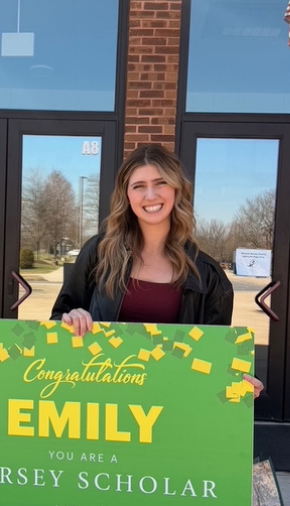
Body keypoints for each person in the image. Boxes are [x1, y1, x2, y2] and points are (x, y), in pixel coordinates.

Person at [50, 143, 263, 397]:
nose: (150, 195)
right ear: (127, 195)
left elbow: (213, 359)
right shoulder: (99, 254)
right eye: (138, 186)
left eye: (160, 183)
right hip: (102, 404)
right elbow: (55, 328)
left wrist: (236, 385)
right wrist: (69, 320)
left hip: (170, 408)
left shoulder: (207, 275)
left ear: (176, 189)